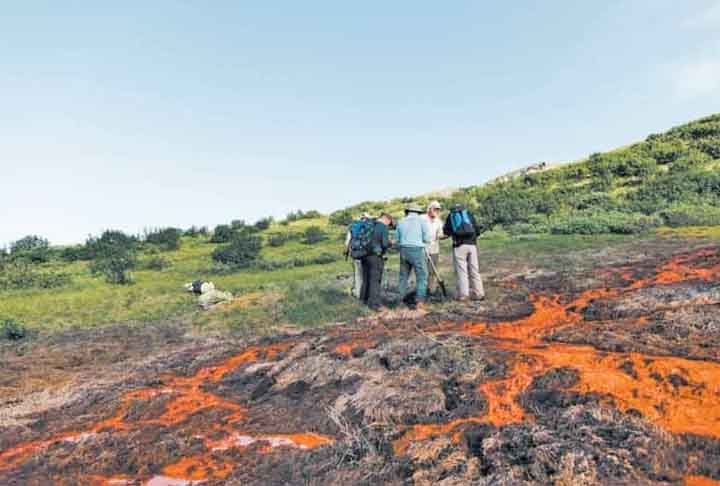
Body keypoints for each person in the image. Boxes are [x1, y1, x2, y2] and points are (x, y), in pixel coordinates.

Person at [443, 204, 485, 301]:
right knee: (475, 270)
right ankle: (479, 294)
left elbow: (446, 232)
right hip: (472, 246)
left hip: (459, 246)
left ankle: (464, 295)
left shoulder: (451, 216)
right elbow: (476, 229)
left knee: (462, 271)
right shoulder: (468, 214)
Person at [396, 203, 432, 310]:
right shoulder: (422, 221)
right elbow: (427, 238)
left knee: (403, 277)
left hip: (403, 250)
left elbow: (397, 239)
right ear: (418, 212)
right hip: (417, 250)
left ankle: (400, 302)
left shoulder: (401, 221)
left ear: (407, 211)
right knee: (422, 276)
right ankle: (419, 301)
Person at [360, 213, 393, 311]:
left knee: (366, 279)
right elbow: (384, 243)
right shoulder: (383, 227)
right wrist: (391, 243)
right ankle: (375, 305)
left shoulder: (369, 224)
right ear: (386, 219)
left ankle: (363, 301)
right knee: (375, 280)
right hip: (375, 256)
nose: (389, 226)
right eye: (389, 223)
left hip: (364, 255)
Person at [345, 212, 371, 298]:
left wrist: (347, 251)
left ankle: (358, 294)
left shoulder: (353, 226)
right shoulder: (369, 226)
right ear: (367, 218)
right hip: (366, 253)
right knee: (366, 274)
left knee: (357, 274)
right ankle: (366, 294)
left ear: (361, 218)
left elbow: (347, 241)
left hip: (355, 253)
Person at [423, 200, 445, 296]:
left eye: (438, 209)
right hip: (423, 249)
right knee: (423, 271)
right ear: (429, 209)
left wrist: (445, 236)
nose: (437, 211)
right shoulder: (422, 219)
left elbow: (439, 234)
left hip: (434, 249)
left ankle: (431, 290)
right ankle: (422, 290)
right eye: (435, 209)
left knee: (432, 271)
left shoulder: (439, 221)